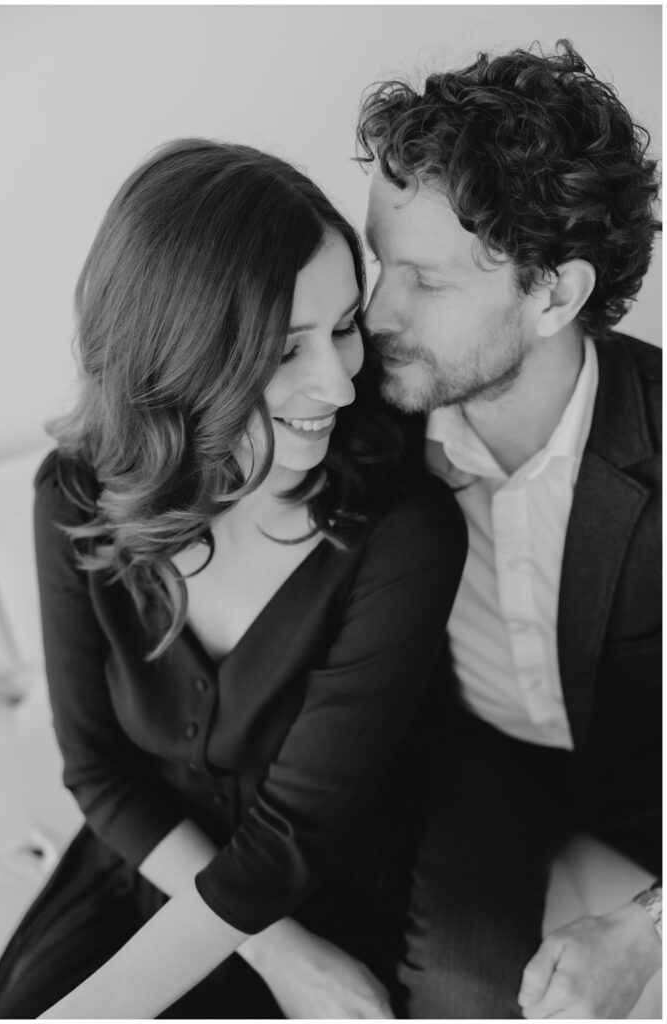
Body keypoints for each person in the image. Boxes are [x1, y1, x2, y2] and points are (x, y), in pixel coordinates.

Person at [0, 139, 467, 1019]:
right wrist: (284, 961)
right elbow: (97, 771)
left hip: (318, 876)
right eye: (284, 350)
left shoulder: (403, 535)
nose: (335, 380)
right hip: (148, 861)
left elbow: (291, 842)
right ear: (177, 358)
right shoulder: (74, 496)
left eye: (343, 327)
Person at [356, 40, 661, 1019]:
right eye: (378, 265)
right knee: (464, 993)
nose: (372, 315)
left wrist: (646, 931)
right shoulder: (358, 412)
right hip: (477, 755)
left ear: (554, 294)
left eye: (426, 283)